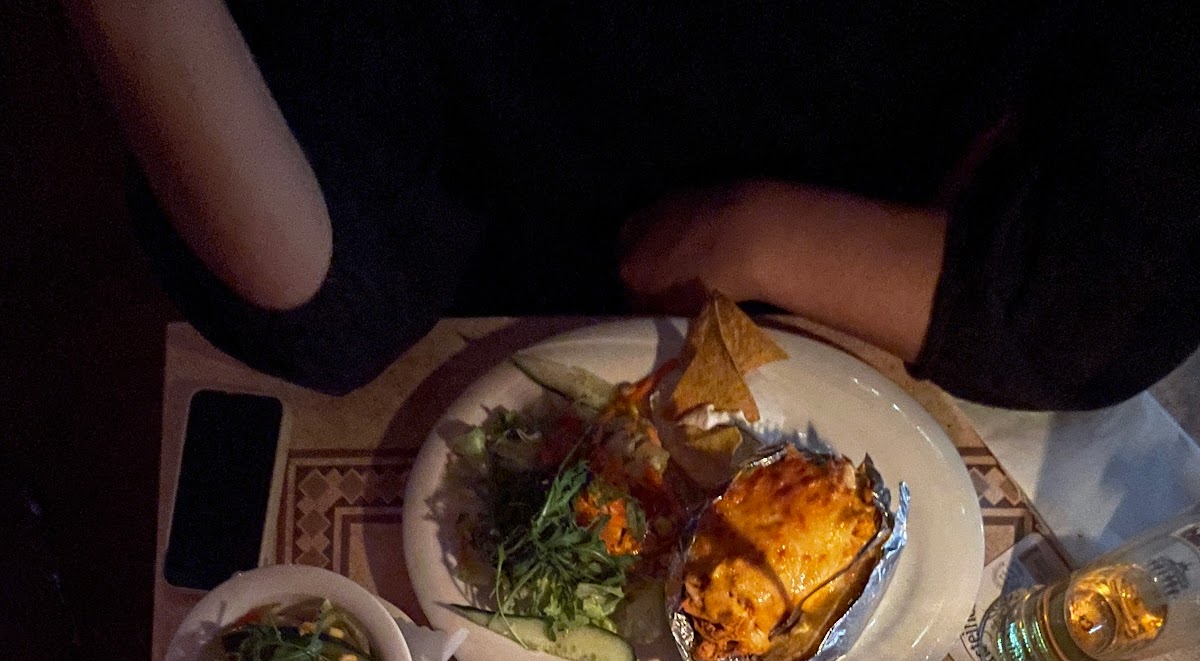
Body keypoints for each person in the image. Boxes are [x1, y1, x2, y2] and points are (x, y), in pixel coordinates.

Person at [64, 1, 1200, 404]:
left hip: (843, 273)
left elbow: (1113, 292)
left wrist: (767, 231)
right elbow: (327, 290)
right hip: (466, 224)